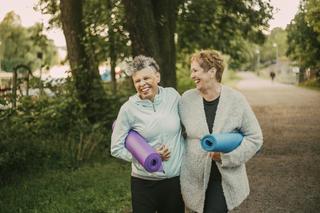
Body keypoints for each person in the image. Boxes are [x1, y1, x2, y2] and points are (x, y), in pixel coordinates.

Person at [179, 50, 263, 213]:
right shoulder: (186, 100)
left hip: (224, 178)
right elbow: (176, 132)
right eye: (192, 71)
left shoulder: (236, 100)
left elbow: (255, 138)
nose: (192, 75)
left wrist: (227, 157)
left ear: (212, 72)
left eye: (195, 70)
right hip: (193, 179)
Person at [111, 55, 185, 213]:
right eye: (137, 81)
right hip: (144, 184)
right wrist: (146, 156)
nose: (142, 84)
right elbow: (116, 148)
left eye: (146, 78)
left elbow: (189, 126)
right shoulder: (128, 109)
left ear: (157, 76)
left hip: (174, 181)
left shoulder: (173, 96)